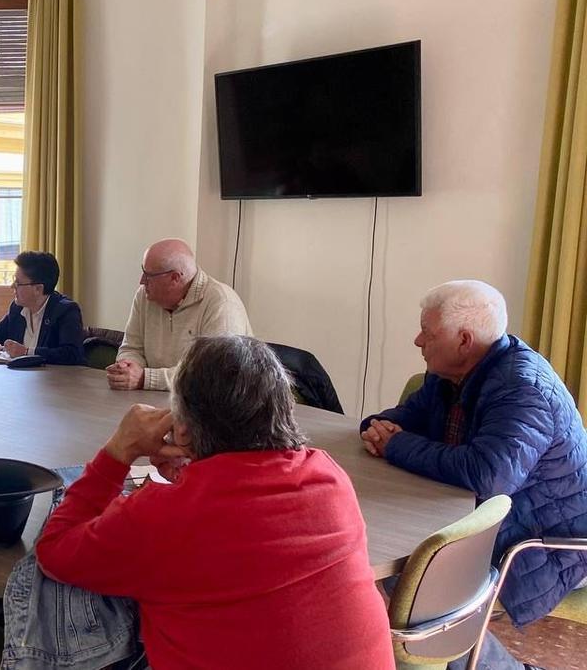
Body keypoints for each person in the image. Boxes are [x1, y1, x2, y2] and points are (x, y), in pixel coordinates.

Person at [35, 336, 394, 669]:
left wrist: (118, 451)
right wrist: (192, 475)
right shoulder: (328, 477)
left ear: (184, 428)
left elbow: (54, 551)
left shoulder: (161, 517)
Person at [362, 280, 587, 670]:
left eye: (427, 333)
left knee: (421, 589)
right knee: (408, 575)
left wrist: (395, 445)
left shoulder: (523, 388)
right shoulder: (451, 373)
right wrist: (377, 425)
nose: (417, 340)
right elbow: (407, 418)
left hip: (542, 534)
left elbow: (488, 476)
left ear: (464, 341)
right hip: (496, 512)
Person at [108, 238, 251, 391]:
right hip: (155, 400)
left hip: (216, 408)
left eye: (148, 275)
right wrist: (127, 368)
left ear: (175, 278)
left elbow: (214, 375)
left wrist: (145, 378)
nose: (142, 281)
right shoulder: (145, 296)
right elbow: (131, 348)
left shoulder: (222, 303)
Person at [0, 251, 85, 365]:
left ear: (38, 289)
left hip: (57, 380)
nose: (12, 286)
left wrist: (26, 352)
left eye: (18, 283)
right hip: (21, 378)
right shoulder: (18, 309)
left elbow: (72, 354)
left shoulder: (66, 311)